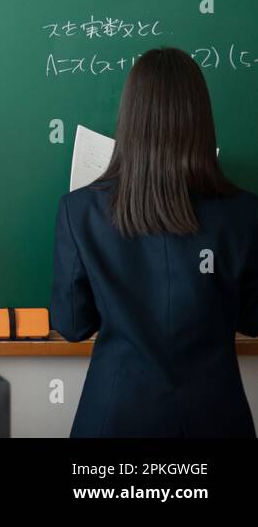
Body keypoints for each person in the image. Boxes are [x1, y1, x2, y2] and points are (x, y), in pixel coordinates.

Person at [52, 47, 258, 437]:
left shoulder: (79, 211)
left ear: (129, 117)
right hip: (217, 418)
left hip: (113, 416)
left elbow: (73, 325)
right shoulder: (244, 213)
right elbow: (253, 319)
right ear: (200, 119)